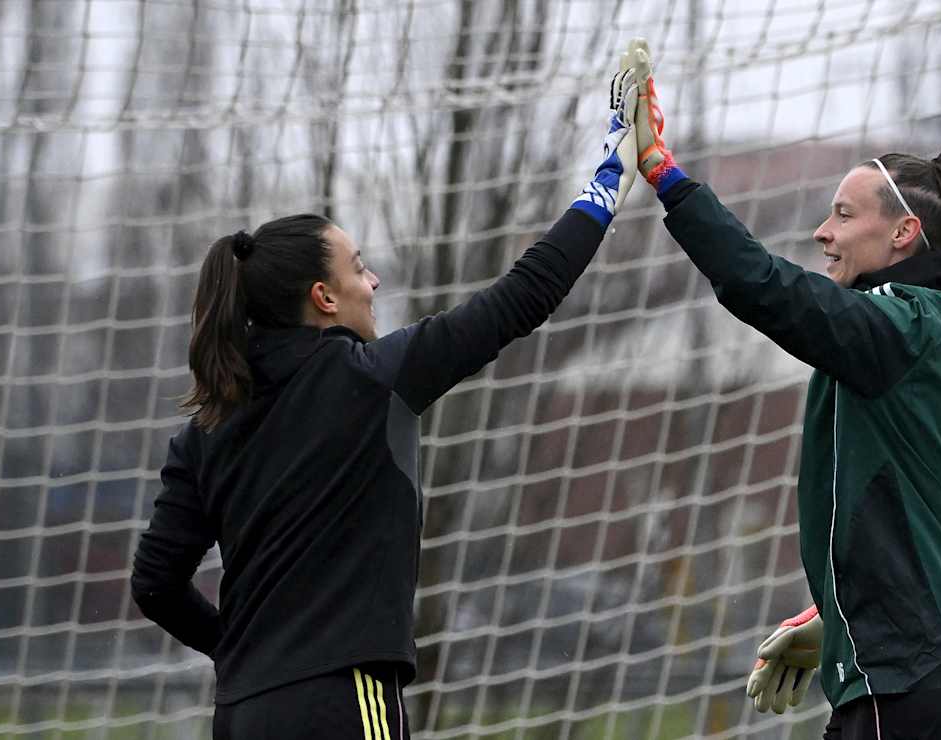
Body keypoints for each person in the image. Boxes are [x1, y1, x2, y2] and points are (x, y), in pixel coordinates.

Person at [129, 60, 642, 739]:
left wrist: (242, 652)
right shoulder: (374, 378)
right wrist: (608, 181)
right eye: (359, 268)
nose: (373, 281)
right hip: (346, 699)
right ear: (324, 297)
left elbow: (154, 583)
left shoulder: (206, 427)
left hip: (242, 713)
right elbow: (523, 295)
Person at [624, 40, 941, 740]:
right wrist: (836, 616)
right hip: (910, 672)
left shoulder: (907, 326)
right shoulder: (924, 341)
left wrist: (664, 174)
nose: (822, 232)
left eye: (844, 215)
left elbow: (766, 287)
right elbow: (920, 524)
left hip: (908, 676)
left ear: (904, 232)